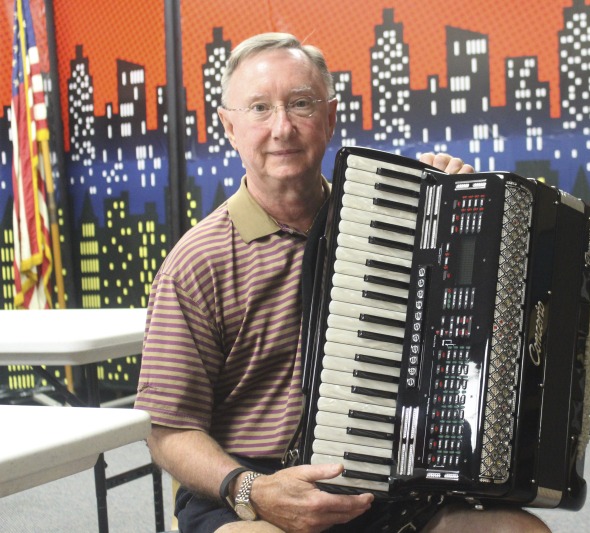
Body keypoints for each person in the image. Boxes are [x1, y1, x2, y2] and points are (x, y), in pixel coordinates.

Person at [134, 32, 551, 533]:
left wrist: (458, 208)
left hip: (383, 482)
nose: (282, 128)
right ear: (229, 126)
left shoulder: (399, 223)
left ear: (330, 118)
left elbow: (470, 318)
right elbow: (168, 432)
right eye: (260, 109)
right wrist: (254, 489)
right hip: (249, 485)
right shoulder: (196, 263)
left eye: (301, 105)